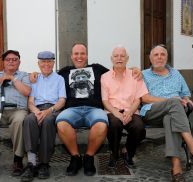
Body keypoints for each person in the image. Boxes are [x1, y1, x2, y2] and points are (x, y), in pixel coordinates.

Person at [55, 43, 141, 176]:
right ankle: (75, 157)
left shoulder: (97, 68)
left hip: (94, 109)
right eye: (76, 54)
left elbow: (118, 69)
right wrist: (35, 74)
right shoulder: (64, 72)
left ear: (87, 55)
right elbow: (48, 76)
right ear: (71, 56)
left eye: (82, 53)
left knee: (101, 125)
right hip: (72, 110)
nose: (79, 56)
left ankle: (89, 157)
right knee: (61, 123)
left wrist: (135, 69)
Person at [141, 45, 193, 181]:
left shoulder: (176, 74)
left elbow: (185, 94)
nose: (159, 57)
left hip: (174, 112)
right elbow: (144, 98)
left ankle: (176, 166)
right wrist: (171, 100)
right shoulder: (143, 74)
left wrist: (187, 101)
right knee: (174, 102)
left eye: (163, 54)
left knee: (170, 119)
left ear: (167, 57)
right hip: (152, 112)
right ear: (150, 58)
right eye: (156, 54)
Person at [21, 51, 66, 182]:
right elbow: (30, 102)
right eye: (43, 62)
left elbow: (62, 100)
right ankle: (31, 163)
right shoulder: (34, 79)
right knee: (29, 120)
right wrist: (36, 112)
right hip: (37, 109)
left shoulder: (59, 79)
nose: (46, 64)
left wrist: (49, 111)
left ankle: (44, 164)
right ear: (38, 64)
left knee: (48, 122)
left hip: (53, 109)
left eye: (49, 61)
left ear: (53, 63)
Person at [101, 46, 147, 168]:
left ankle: (128, 151)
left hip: (131, 110)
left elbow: (138, 98)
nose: (119, 58)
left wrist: (130, 112)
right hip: (112, 111)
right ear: (111, 59)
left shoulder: (135, 75)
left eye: (122, 56)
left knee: (139, 128)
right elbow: (105, 101)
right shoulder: (105, 77)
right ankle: (114, 153)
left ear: (127, 59)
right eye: (116, 56)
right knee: (114, 124)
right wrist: (117, 114)